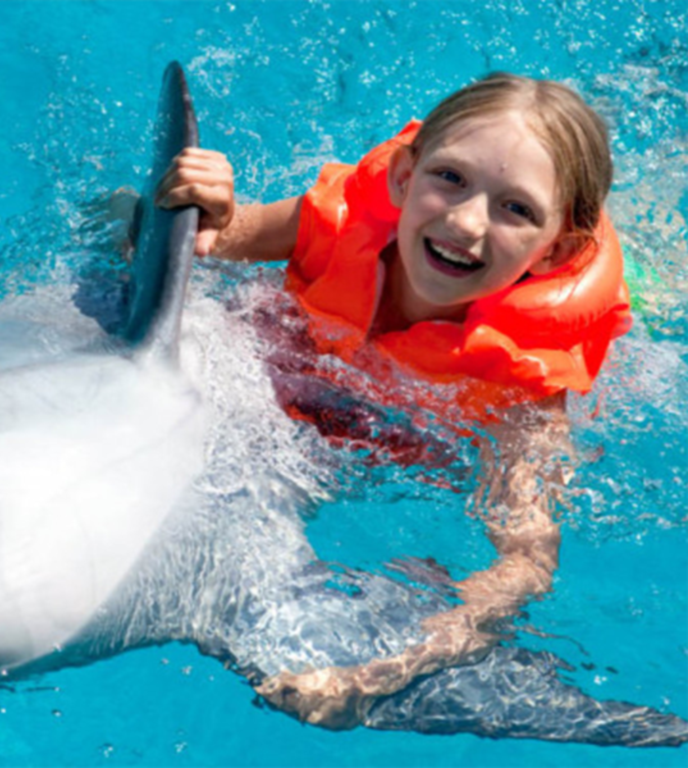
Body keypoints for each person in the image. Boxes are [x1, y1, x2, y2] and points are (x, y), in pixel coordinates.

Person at [155, 72, 632, 729]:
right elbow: (208, 238)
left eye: (515, 209)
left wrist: (384, 672)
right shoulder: (331, 227)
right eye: (450, 178)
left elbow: (525, 565)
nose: (464, 221)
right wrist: (197, 203)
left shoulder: (520, 397)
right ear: (404, 177)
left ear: (558, 251)